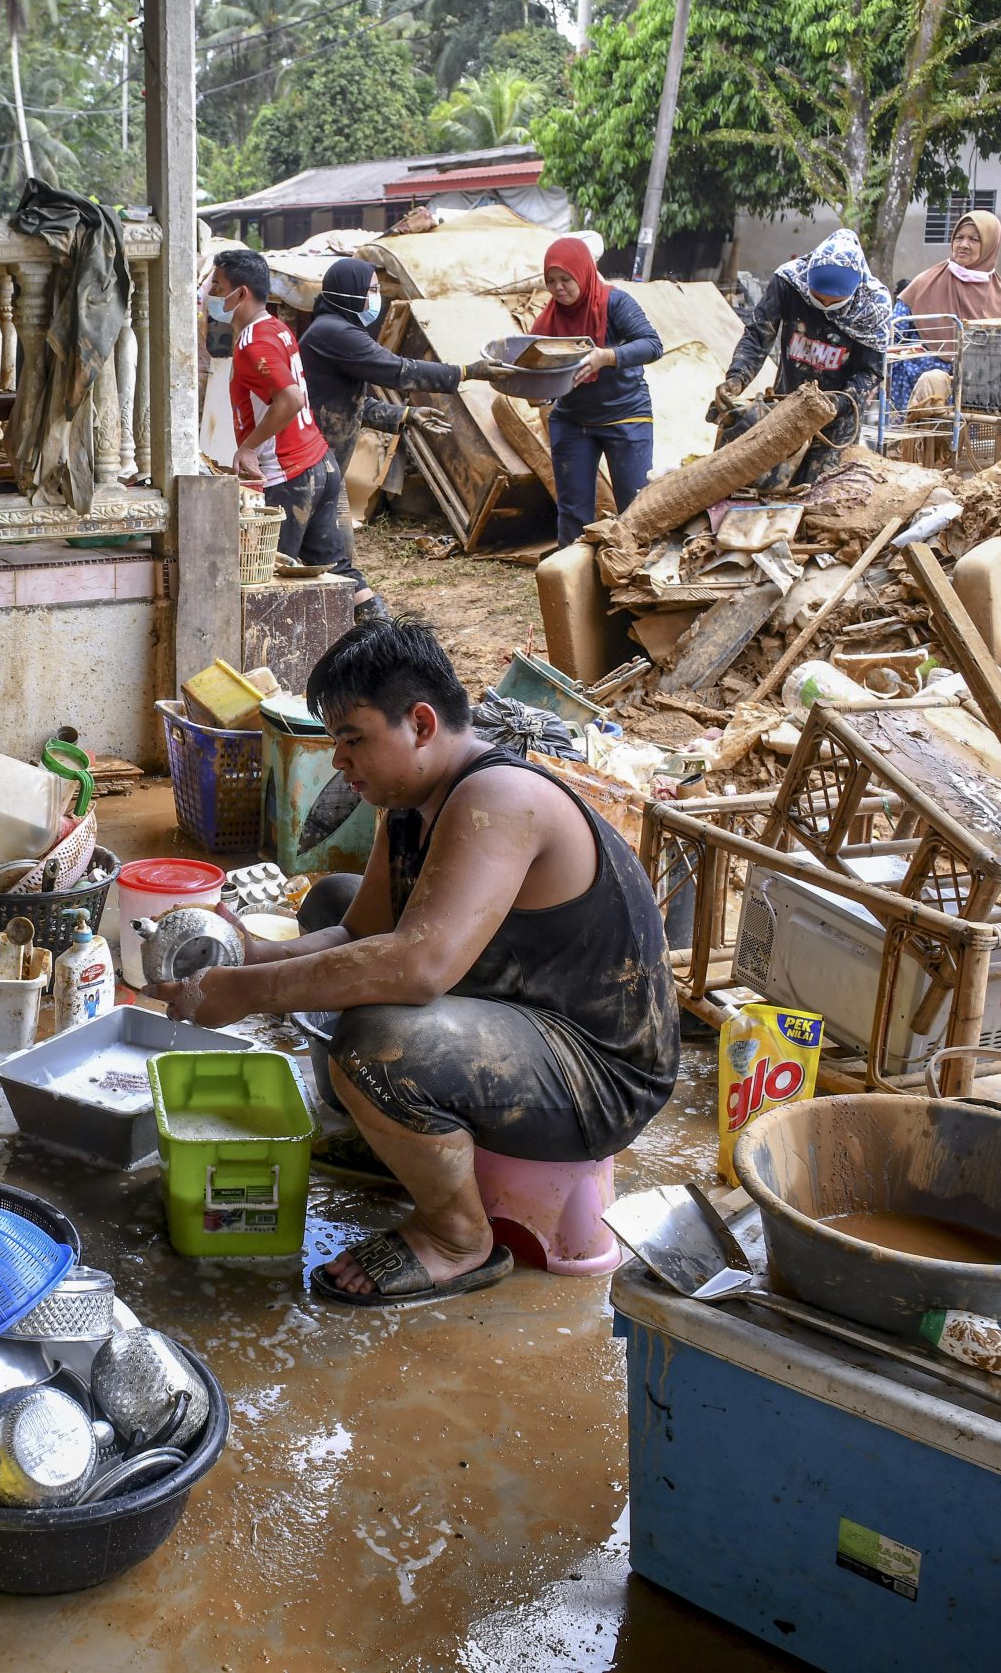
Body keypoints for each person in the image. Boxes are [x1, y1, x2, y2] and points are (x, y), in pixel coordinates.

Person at [155, 617, 680, 1307]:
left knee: (375, 1045)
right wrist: (253, 951)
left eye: (353, 739)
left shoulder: (500, 796)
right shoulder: (411, 804)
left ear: (422, 723)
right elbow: (356, 933)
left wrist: (247, 991)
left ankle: (459, 1235)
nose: (340, 761)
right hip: (518, 1018)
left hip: (598, 1070)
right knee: (330, 902)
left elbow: (418, 967)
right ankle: (398, 1138)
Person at [206, 248, 385, 624]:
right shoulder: (276, 327)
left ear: (240, 293)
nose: (210, 292)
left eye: (216, 284)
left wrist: (249, 447)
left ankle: (280, 665)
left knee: (266, 579)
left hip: (288, 475)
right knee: (337, 568)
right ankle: (382, 635)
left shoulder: (253, 342)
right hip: (319, 463)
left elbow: (289, 398)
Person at [715, 228, 892, 486]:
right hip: (786, 401)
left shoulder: (872, 306)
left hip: (837, 416)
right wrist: (737, 376)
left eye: (834, 303)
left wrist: (836, 402)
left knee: (819, 490)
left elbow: (870, 371)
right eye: (818, 300)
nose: (824, 307)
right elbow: (758, 335)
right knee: (762, 485)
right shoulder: (789, 281)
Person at [299, 257, 500, 480]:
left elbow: (350, 406)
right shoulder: (335, 333)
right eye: (373, 290)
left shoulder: (333, 329)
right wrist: (466, 372)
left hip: (323, 466)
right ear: (351, 292)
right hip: (310, 466)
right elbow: (400, 370)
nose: (378, 297)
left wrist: (408, 414)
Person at [530, 236, 664, 547]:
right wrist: (538, 392)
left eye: (566, 279)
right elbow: (537, 368)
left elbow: (652, 345)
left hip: (626, 415)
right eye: (551, 281)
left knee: (635, 509)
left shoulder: (615, 302)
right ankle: (575, 585)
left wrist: (607, 356)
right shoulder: (548, 319)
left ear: (584, 272)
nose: (558, 288)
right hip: (573, 421)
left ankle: (635, 582)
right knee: (573, 512)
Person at [889, 210, 1001, 408]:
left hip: (973, 393)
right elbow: (894, 335)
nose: (963, 245)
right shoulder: (926, 282)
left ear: (989, 245)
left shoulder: (998, 295)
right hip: (917, 394)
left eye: (974, 239)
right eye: (959, 237)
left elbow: (999, 355)